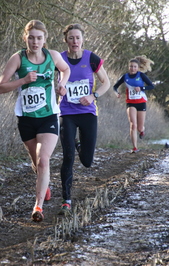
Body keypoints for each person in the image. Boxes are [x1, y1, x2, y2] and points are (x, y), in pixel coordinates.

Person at [0, 20, 70, 222]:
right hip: (26, 118)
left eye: (39, 38)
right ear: (25, 38)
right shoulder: (18, 59)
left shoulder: (52, 56)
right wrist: (23, 80)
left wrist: (61, 84)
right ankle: (44, 185)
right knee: (36, 163)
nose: (35, 42)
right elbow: (0, 88)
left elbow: (66, 70)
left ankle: (38, 206)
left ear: (45, 39)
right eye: (31, 37)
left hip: (48, 117)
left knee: (43, 160)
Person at [58, 23, 111, 214]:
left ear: (82, 40)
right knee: (68, 156)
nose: (74, 41)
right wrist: (57, 89)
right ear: (66, 40)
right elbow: (49, 80)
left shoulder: (91, 58)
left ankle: (79, 144)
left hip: (88, 113)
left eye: (77, 38)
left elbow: (106, 83)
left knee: (87, 161)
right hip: (66, 113)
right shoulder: (59, 59)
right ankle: (66, 199)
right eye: (71, 38)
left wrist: (93, 96)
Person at [113, 55, 155, 153]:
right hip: (130, 103)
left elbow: (151, 86)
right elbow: (115, 87)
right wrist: (117, 93)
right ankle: (135, 147)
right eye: (131, 66)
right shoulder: (125, 77)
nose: (132, 68)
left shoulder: (141, 75)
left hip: (141, 102)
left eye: (135, 67)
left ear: (138, 67)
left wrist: (142, 88)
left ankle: (142, 131)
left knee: (140, 127)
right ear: (129, 67)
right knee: (133, 125)